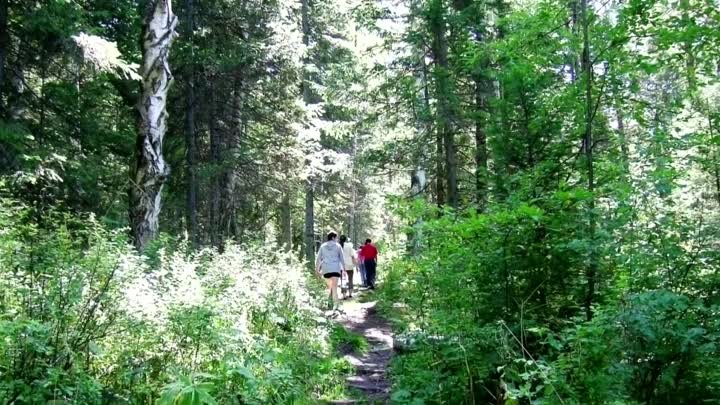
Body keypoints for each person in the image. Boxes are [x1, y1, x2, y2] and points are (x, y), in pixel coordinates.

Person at [315, 232, 345, 309]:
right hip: (335, 269)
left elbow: (318, 259)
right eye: (336, 237)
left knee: (329, 287)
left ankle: (329, 303)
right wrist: (344, 269)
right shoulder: (338, 246)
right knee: (334, 288)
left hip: (326, 269)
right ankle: (336, 305)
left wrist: (317, 270)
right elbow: (342, 258)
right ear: (333, 237)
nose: (337, 239)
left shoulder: (322, 246)